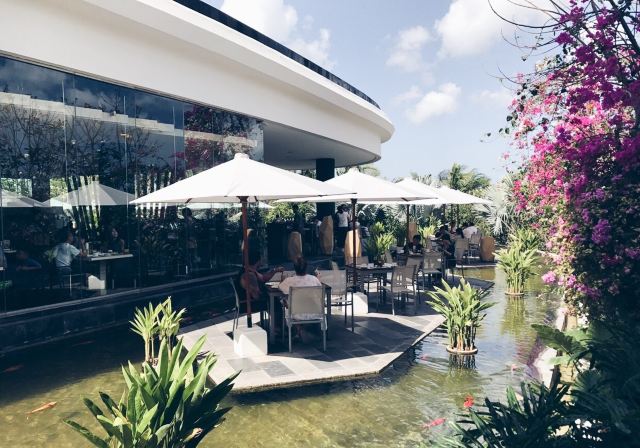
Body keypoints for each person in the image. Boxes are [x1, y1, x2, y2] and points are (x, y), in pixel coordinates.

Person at [236, 249, 283, 313]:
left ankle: (274, 318)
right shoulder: (249, 275)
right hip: (248, 305)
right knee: (275, 302)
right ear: (257, 261)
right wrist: (269, 290)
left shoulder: (249, 269)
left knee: (274, 299)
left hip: (248, 302)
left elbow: (263, 278)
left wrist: (275, 270)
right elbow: (256, 296)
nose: (261, 261)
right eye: (260, 259)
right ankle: (276, 319)